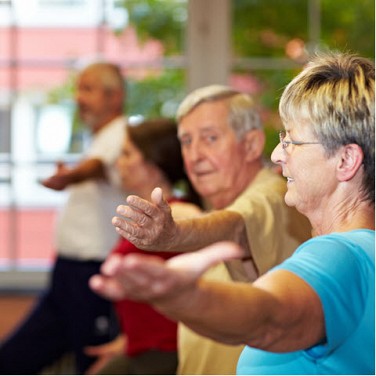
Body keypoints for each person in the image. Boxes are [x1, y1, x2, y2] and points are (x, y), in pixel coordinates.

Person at [90, 51, 375, 375]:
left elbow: (268, 317)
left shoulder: (338, 253)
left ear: (345, 161)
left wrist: (182, 293)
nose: (278, 154)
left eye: (292, 141)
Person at [102, 85, 312, 374]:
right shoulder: (221, 203)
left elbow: (234, 227)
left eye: (210, 138)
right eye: (186, 142)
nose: (194, 155)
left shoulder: (272, 194)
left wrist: (174, 234)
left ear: (251, 145)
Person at [0, 62, 127, 375]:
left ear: (115, 97)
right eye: (78, 88)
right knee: (13, 359)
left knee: (93, 365)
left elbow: (97, 167)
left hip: (94, 277)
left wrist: (69, 178)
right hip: (67, 275)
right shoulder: (98, 137)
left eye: (88, 88)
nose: (78, 97)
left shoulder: (121, 134)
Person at [84, 118, 202, 375]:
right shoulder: (145, 215)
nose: (118, 163)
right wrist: (127, 341)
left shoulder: (179, 213)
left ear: (152, 164)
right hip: (142, 347)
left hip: (165, 351)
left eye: (126, 154)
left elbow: (205, 231)